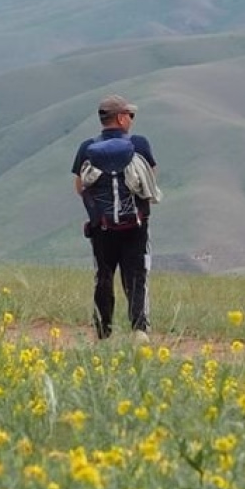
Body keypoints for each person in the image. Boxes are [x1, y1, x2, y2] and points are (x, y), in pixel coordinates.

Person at [72, 95, 158, 338]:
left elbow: (79, 187)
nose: (131, 119)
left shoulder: (87, 148)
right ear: (121, 118)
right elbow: (150, 181)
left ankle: (103, 332)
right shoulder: (139, 144)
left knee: (103, 276)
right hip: (136, 226)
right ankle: (139, 330)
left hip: (102, 227)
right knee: (137, 276)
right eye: (129, 115)